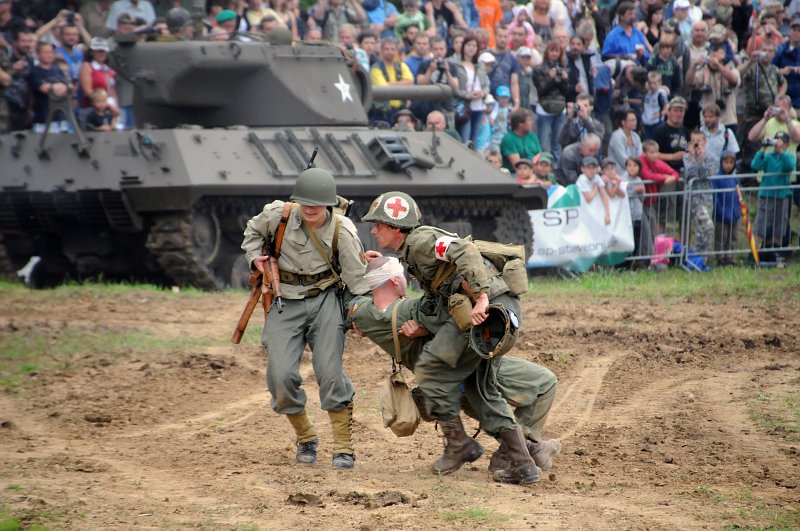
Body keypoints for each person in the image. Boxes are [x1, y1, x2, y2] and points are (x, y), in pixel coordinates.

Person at [361, 192, 539, 483]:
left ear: (395, 228)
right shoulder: (413, 247)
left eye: (377, 225)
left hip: (488, 309)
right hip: (494, 306)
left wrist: (481, 297)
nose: (372, 230)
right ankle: (524, 464)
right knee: (480, 390)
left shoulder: (420, 242)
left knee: (431, 368)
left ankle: (459, 444)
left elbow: (463, 250)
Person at [344, 256, 563, 476]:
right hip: (466, 371)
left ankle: (525, 449)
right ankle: (521, 451)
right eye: (402, 276)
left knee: (485, 402)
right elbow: (454, 312)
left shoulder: (362, 314)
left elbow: (351, 301)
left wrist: (362, 263)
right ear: (393, 282)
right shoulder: (412, 310)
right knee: (545, 382)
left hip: (441, 387)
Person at [240, 168, 370, 470]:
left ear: (328, 203)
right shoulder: (278, 215)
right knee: (280, 376)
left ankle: (343, 446)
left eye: (317, 203)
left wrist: (360, 316)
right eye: (304, 202)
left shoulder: (343, 230)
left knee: (329, 372)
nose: (310, 209)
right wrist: (254, 257)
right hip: (284, 299)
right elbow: (252, 232)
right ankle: (306, 437)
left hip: (326, 298)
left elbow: (357, 282)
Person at [750, 131, 796, 255]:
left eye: (780, 142)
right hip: (766, 194)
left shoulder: (789, 156)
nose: (777, 144)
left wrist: (781, 152)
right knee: (761, 223)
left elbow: (789, 166)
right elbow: (755, 165)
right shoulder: (769, 156)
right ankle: (754, 252)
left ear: (786, 144)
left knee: (780, 224)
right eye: (776, 140)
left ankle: (776, 252)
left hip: (782, 195)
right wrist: (763, 148)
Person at [532, 42, 568, 161]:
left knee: (557, 143)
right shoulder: (539, 69)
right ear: (547, 52)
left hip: (560, 108)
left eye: (556, 51)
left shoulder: (564, 69)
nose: (554, 54)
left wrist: (565, 80)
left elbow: (566, 92)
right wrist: (550, 77)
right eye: (551, 51)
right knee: (543, 142)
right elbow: (541, 90)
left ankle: (556, 169)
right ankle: (541, 166)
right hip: (544, 108)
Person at [682, 129, 716, 254]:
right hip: (693, 196)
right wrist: (692, 157)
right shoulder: (687, 157)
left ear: (705, 142)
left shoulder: (710, 157)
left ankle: (702, 256)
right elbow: (689, 174)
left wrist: (701, 160)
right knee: (704, 225)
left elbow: (705, 174)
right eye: (694, 141)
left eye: (699, 141)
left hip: (706, 196)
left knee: (705, 228)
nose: (696, 144)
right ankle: (696, 253)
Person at [452, 35, 489, 144]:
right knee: (465, 138)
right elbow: (454, 87)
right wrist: (466, 95)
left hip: (479, 105)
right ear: (463, 46)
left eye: (474, 46)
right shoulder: (456, 65)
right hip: (465, 106)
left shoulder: (480, 65)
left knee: (474, 139)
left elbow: (486, 84)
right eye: (468, 45)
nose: (471, 48)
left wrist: (483, 93)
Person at [639, 139, 680, 235]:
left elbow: (674, 173)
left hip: (651, 200)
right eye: (651, 152)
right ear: (644, 153)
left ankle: (656, 245)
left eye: (656, 152)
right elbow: (647, 175)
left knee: (654, 223)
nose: (654, 155)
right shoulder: (641, 161)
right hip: (641, 200)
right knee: (644, 227)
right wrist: (664, 177)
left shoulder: (656, 162)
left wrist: (673, 177)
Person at [712, 151, 740, 266]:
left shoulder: (735, 179)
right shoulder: (716, 178)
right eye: (726, 162)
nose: (728, 165)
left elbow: (738, 195)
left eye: (731, 162)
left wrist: (739, 209)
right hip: (721, 214)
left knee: (732, 236)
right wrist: (720, 211)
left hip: (733, 213)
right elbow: (715, 197)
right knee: (721, 236)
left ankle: (729, 256)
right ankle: (720, 257)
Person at [621, 156, 649, 264]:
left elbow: (643, 198)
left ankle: (632, 263)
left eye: (635, 166)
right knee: (626, 240)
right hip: (626, 216)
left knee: (636, 239)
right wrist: (634, 191)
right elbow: (622, 194)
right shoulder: (622, 179)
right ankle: (624, 263)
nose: (632, 168)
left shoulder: (639, 180)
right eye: (629, 165)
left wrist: (641, 192)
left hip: (637, 214)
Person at [78, 37, 116, 110]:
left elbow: (112, 90)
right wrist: (102, 103)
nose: (101, 54)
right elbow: (87, 91)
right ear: (92, 52)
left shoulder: (108, 69)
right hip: (92, 109)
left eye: (103, 51)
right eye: (98, 51)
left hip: (108, 108)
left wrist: (115, 106)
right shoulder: (87, 66)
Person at [772, 14, 800, 109]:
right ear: (789, 31)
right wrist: (781, 71)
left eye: (799, 30)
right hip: (783, 98)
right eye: (794, 30)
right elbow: (769, 69)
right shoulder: (780, 49)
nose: (796, 33)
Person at [576, 157, 611, 225]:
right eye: (588, 168)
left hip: (591, 212)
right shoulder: (582, 179)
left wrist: (607, 213)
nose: (591, 170)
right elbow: (588, 199)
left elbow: (603, 195)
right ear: (583, 169)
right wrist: (595, 189)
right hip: (582, 212)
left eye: (593, 168)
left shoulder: (597, 177)